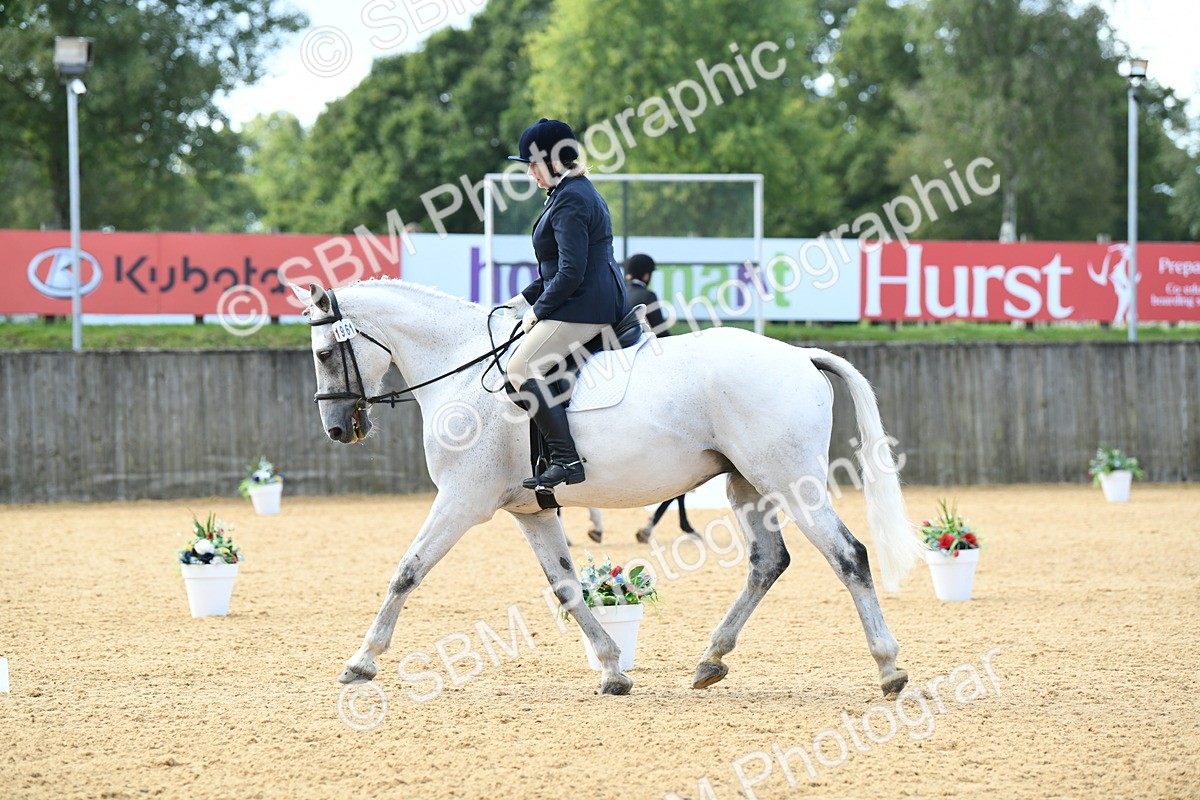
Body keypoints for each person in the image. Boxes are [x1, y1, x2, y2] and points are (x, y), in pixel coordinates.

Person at [504, 118, 627, 491]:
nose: (529, 173)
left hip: (586, 305)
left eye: (533, 164)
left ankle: (566, 458)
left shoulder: (571, 198)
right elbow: (562, 266)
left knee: (521, 367)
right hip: (588, 296)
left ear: (554, 162)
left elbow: (572, 273)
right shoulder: (572, 191)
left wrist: (538, 311)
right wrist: (524, 298)